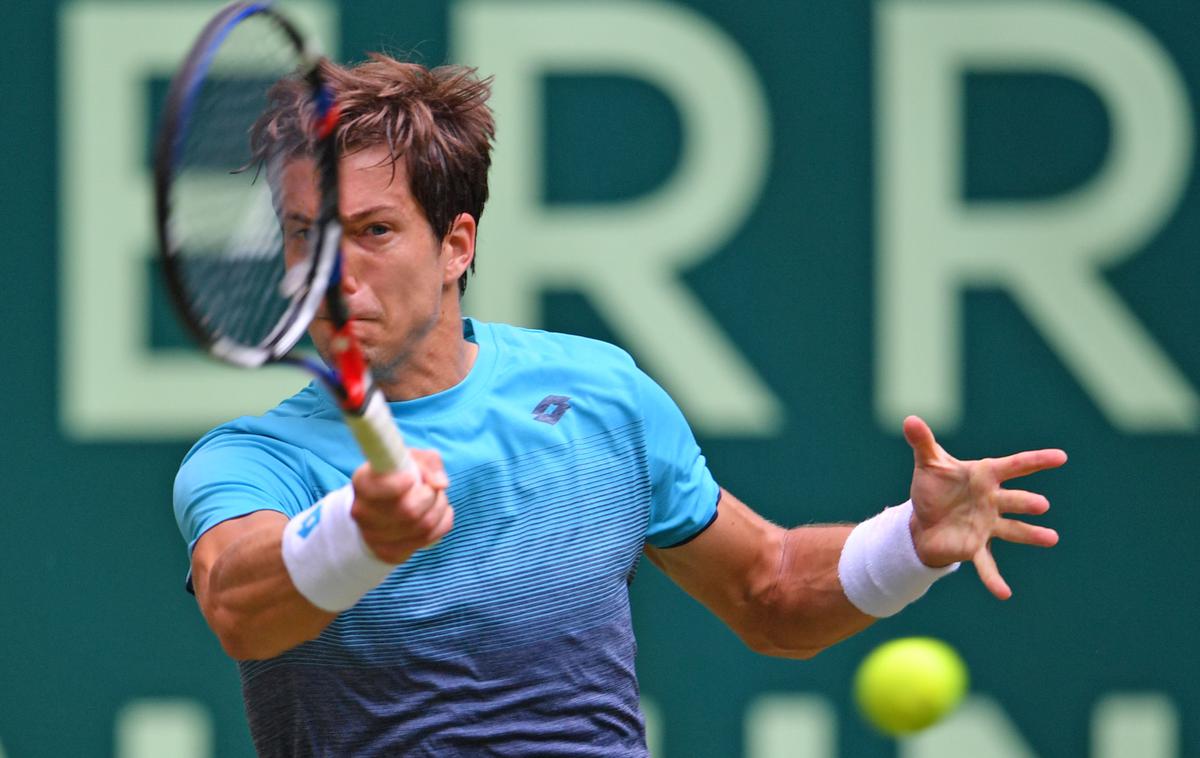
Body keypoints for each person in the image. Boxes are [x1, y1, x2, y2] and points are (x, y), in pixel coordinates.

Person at [173, 54, 1066, 757]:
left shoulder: (599, 393)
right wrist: (357, 536)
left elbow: (769, 591)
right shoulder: (254, 460)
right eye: (306, 236)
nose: (333, 273)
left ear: (455, 245)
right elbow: (239, 607)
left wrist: (910, 542)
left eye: (373, 231)